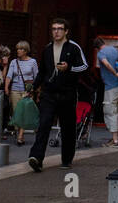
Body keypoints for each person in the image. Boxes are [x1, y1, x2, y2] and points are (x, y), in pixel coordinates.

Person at [27, 20, 88, 171]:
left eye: (60, 29)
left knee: (68, 127)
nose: (56, 32)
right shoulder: (47, 49)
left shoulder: (74, 48)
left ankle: (67, 159)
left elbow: (84, 66)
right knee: (44, 124)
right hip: (49, 93)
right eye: (54, 29)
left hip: (67, 93)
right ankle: (36, 158)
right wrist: (33, 87)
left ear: (66, 31)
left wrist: (69, 68)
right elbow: (42, 71)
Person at [95, 36, 118, 147]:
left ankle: (114, 140)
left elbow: (106, 64)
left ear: (97, 48)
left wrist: (115, 74)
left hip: (111, 86)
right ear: (104, 42)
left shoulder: (101, 53)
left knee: (110, 111)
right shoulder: (116, 49)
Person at [4, 40, 38, 146]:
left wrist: (33, 90)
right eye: (18, 48)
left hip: (26, 90)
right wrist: (6, 87)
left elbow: (36, 77)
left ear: (26, 51)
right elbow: (9, 76)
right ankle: (19, 132)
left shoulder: (32, 62)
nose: (18, 51)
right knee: (16, 113)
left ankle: (20, 135)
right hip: (14, 90)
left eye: (21, 49)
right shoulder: (14, 62)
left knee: (23, 113)